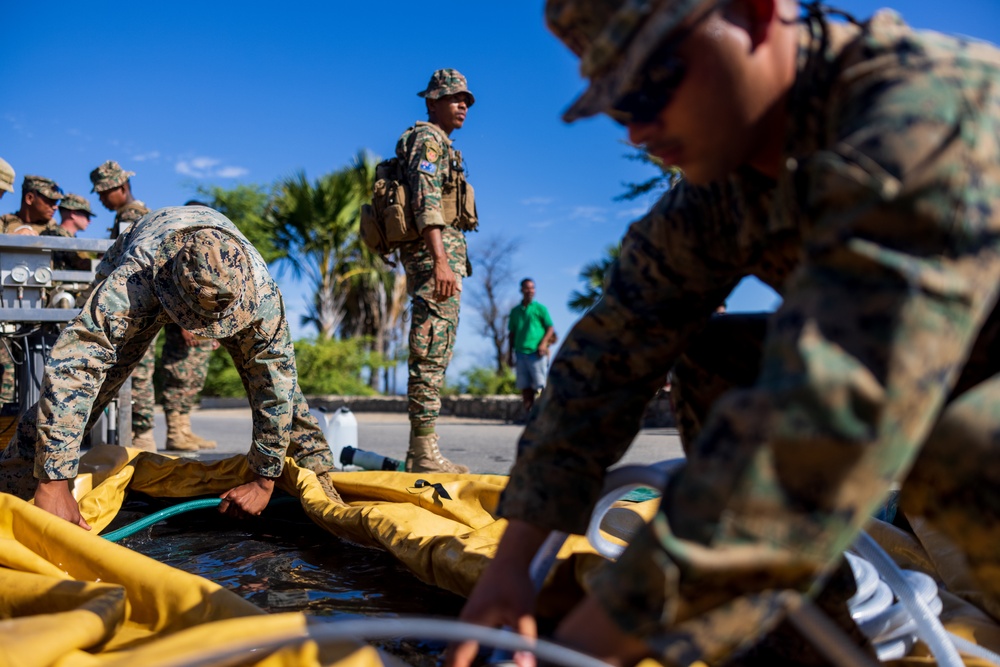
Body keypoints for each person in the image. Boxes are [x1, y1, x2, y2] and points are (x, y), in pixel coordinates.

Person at [449, 2, 1000, 666]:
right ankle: (808, 644)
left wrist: (589, 645)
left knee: (970, 443)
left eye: (654, 82)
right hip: (952, 362)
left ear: (758, 13)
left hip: (954, 399)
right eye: (619, 105)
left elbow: (829, 419)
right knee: (718, 357)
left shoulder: (919, 117)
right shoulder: (732, 180)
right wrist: (510, 570)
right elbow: (608, 354)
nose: (638, 129)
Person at [0, 206, 337, 529]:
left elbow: (275, 386)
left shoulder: (260, 296)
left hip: (218, 272)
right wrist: (54, 480)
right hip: (147, 249)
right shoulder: (134, 281)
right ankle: (12, 486)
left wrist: (264, 480)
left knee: (285, 391)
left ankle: (321, 478)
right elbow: (76, 365)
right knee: (92, 388)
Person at [397, 68, 479, 473]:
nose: (463, 104)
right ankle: (423, 452)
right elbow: (426, 200)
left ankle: (422, 449)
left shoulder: (442, 143)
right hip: (435, 261)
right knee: (430, 350)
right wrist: (442, 261)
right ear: (432, 102)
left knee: (437, 349)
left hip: (441, 259)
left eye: (466, 100)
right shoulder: (428, 139)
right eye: (454, 98)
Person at [89, 160, 158, 450]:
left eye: (104, 193)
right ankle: (139, 438)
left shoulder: (131, 217)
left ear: (120, 187)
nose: (102, 199)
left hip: (133, 304)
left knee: (137, 369)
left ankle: (142, 438)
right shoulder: (133, 214)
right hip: (139, 302)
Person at [157, 200, 223, 453]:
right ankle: (175, 433)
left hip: (202, 328)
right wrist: (183, 324)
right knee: (178, 377)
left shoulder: (208, 244)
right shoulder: (177, 245)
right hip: (182, 329)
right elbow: (170, 290)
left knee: (194, 379)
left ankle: (184, 430)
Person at [507, 278, 556, 413]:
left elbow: (550, 328)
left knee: (541, 385)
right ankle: (529, 414)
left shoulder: (540, 309)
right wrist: (510, 354)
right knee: (525, 386)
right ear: (521, 290)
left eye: (533, 288)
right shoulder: (515, 311)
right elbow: (511, 333)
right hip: (520, 352)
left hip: (537, 353)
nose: (530, 291)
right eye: (527, 288)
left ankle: (546, 413)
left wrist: (543, 344)